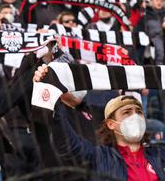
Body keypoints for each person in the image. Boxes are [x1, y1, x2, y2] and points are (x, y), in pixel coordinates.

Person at [33, 64, 165, 180]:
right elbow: (65, 142)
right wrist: (49, 87)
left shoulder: (159, 155)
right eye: (127, 112)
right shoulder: (98, 157)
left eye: (139, 112)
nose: (135, 117)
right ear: (111, 124)